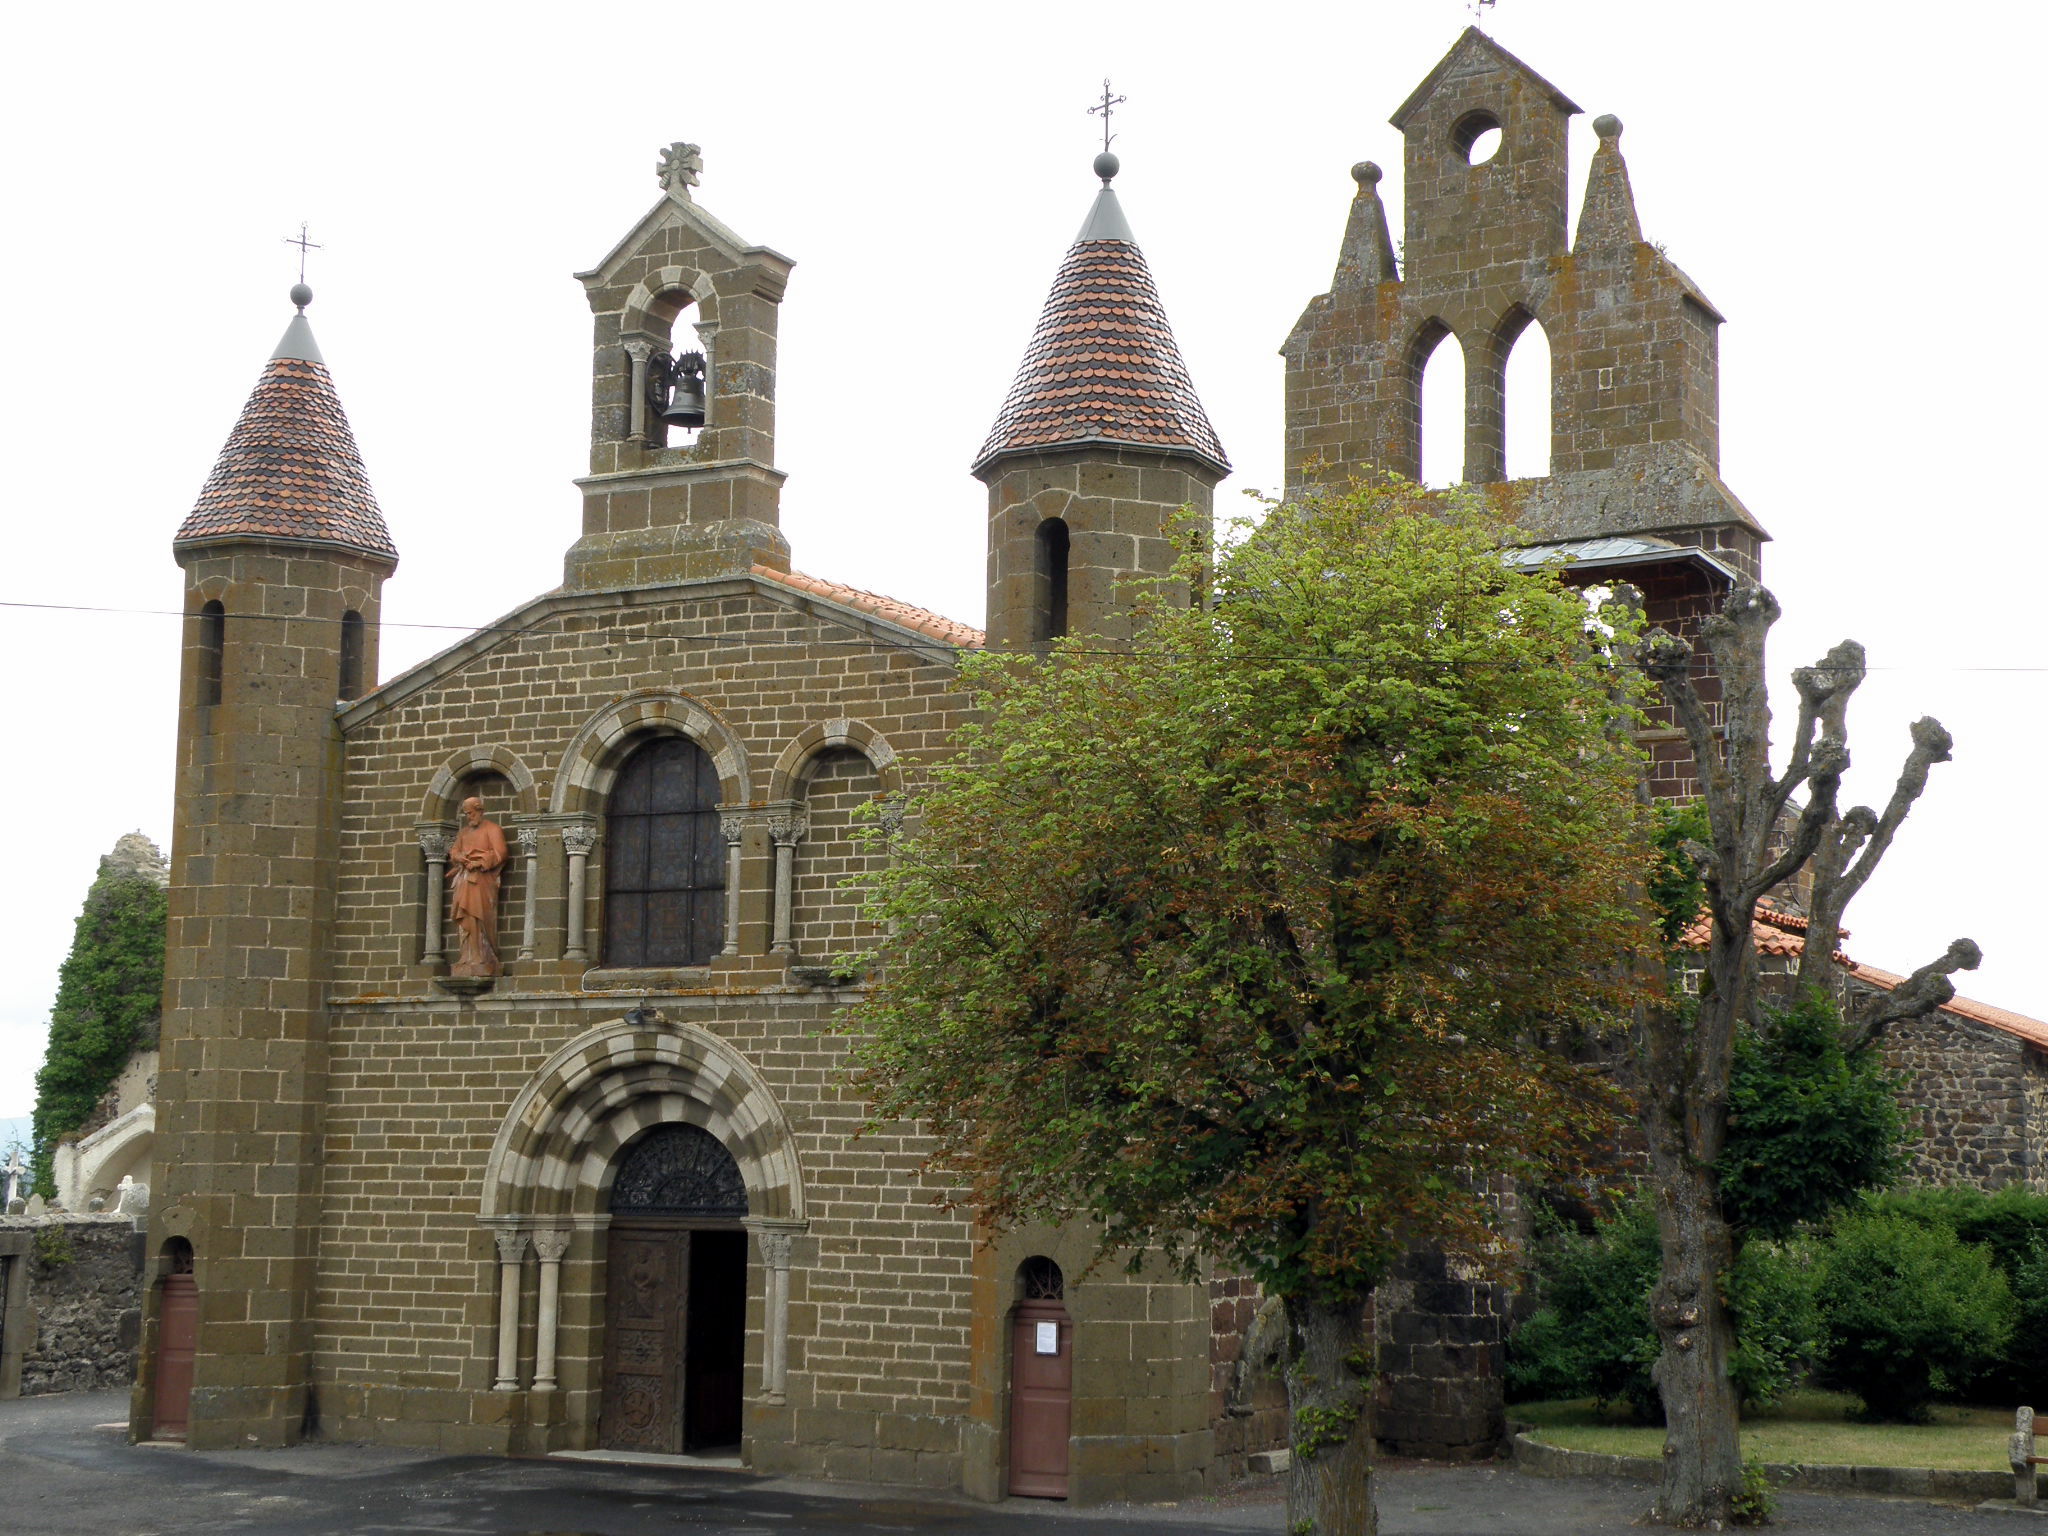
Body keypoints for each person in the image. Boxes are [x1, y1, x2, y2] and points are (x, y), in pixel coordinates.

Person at [448, 796, 508, 977]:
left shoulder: (492, 829)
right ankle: (467, 955)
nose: (469, 817)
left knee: (478, 915)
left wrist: (480, 862)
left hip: (482, 881)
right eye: (466, 814)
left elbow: (501, 853)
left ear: (479, 810)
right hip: (464, 878)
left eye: (471, 813)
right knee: (465, 916)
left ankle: (481, 955)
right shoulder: (464, 833)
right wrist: (458, 857)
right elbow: (454, 851)